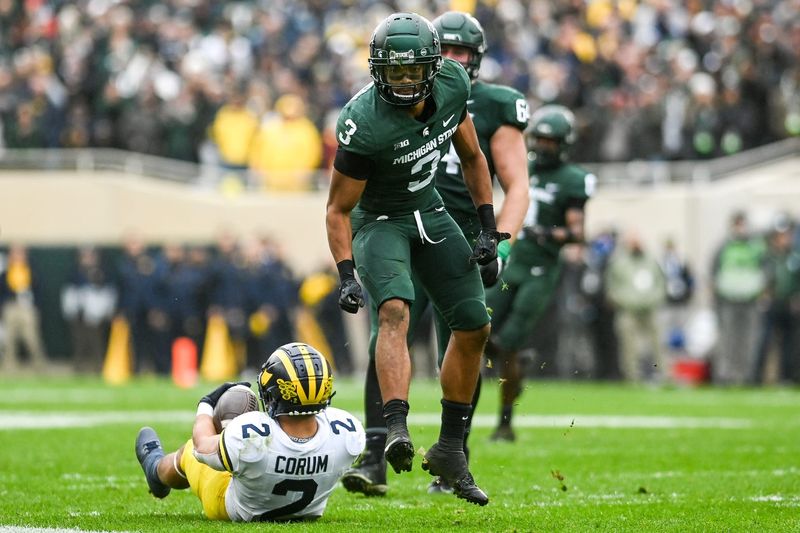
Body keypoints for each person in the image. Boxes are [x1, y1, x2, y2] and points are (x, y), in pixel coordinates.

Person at [339, 10, 529, 498]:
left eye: (414, 69)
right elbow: (337, 209)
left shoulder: (452, 86)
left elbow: (474, 157)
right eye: (395, 70)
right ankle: (392, 432)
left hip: (433, 212)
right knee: (395, 312)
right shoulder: (362, 123)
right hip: (381, 220)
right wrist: (345, 273)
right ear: (378, 70)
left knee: (474, 325)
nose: (405, 81)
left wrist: (491, 230)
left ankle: (450, 448)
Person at [135, 342, 365, 522]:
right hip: (308, 511)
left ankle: (156, 471)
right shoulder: (347, 431)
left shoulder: (250, 435)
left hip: (235, 508)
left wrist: (206, 404)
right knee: (237, 449)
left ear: (276, 393)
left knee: (194, 445)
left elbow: (201, 446)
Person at [485, 105, 595, 441]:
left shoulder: (574, 179)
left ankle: (505, 423)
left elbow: (578, 233)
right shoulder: (524, 168)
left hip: (540, 269)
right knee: (478, 326)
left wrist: (547, 234)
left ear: (563, 143)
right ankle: (519, 366)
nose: (543, 145)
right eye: (540, 139)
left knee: (508, 342)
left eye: (550, 140)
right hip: (511, 262)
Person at [605, 232, 668, 383]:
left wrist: (653, 299)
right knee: (629, 345)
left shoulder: (651, 262)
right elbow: (612, 288)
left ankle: (664, 374)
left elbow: (660, 283)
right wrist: (625, 301)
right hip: (628, 310)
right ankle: (632, 377)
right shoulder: (619, 263)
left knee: (658, 343)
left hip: (650, 309)